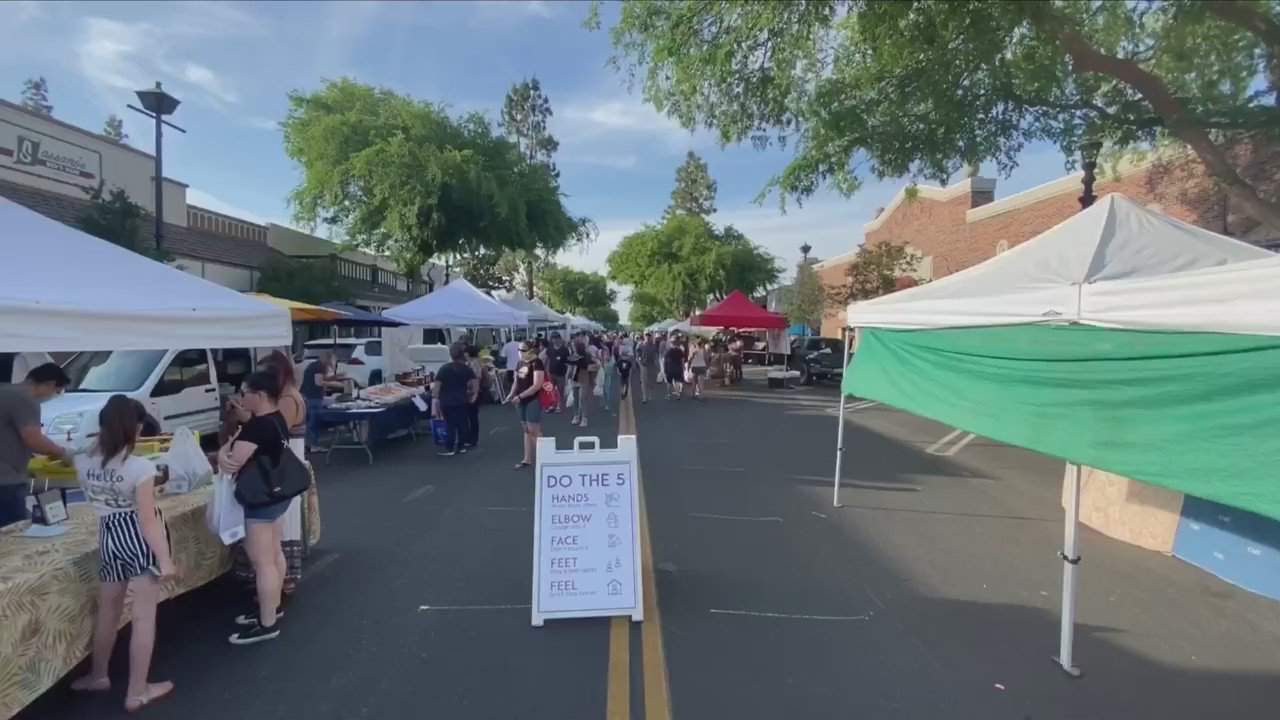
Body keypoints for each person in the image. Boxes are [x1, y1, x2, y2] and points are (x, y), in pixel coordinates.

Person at [71, 395, 176, 711]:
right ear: (138, 427)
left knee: (109, 611)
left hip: (108, 536)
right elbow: (146, 519)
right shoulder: (140, 467)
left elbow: (82, 451)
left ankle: (98, 675)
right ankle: (137, 690)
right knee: (144, 617)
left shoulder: (83, 459)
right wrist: (166, 559)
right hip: (136, 538)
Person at [218, 371, 292, 645]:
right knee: (274, 554)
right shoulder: (276, 418)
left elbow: (230, 464)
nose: (241, 397)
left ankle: (267, 623)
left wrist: (225, 448)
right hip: (277, 494)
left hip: (260, 499)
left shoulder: (256, 428)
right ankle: (272, 606)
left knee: (263, 563)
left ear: (259, 395)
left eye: (244, 392)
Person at [0, 363, 71, 526]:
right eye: (57, 391)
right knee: (13, 533)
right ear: (51, 384)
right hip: (6, 480)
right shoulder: (25, 399)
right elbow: (33, 439)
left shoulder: (4, 390)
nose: (54, 396)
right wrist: (63, 453)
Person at [430, 342, 478, 457]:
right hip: (462, 400)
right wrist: (473, 395)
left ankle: (450, 447)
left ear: (451, 355)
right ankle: (461, 446)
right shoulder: (466, 369)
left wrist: (435, 400)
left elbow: (437, 387)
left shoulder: (444, 369)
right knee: (462, 423)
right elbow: (474, 382)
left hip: (447, 401)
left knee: (450, 424)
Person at [504, 341, 545, 470]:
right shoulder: (519, 363)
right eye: (519, 350)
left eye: (523, 350)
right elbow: (516, 381)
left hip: (533, 399)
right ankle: (527, 459)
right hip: (520, 400)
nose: (520, 353)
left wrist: (520, 396)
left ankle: (544, 458)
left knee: (534, 429)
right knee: (526, 430)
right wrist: (511, 394)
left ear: (530, 350)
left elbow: (537, 385)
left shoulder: (536, 363)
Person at [298, 351, 344, 449]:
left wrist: (335, 377)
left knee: (311, 421)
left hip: (307, 396)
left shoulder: (315, 366)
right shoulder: (319, 367)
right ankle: (313, 445)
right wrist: (337, 384)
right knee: (314, 422)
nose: (334, 363)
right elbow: (319, 382)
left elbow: (321, 379)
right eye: (334, 360)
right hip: (313, 397)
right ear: (329, 359)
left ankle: (309, 444)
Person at [570, 335, 598, 427]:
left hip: (584, 378)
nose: (573, 347)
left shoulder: (587, 355)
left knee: (583, 399)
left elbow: (596, 365)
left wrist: (589, 368)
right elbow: (570, 366)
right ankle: (576, 416)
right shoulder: (573, 356)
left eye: (574, 346)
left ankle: (584, 418)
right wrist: (568, 376)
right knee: (575, 398)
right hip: (574, 378)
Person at [463, 345, 485, 450]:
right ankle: (470, 438)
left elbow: (477, 378)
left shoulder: (474, 363)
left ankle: (472, 439)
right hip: (471, 391)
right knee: (471, 416)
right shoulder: (473, 362)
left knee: (472, 416)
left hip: (473, 392)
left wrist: (475, 393)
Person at [546, 334, 571, 413]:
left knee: (560, 391)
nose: (554, 340)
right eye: (553, 339)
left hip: (561, 374)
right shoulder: (550, 349)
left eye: (556, 339)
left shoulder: (565, 350)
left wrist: (567, 374)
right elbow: (548, 360)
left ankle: (559, 406)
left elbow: (568, 363)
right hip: (551, 372)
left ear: (560, 339)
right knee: (550, 390)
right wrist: (546, 370)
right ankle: (552, 405)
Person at [638, 333, 660, 404]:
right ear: (645, 338)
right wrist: (640, 361)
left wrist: (657, 365)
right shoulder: (641, 345)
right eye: (646, 337)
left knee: (651, 381)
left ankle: (650, 394)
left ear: (651, 338)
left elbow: (656, 355)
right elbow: (638, 354)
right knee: (643, 381)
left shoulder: (653, 346)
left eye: (649, 338)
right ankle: (644, 397)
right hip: (644, 365)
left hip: (652, 365)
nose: (648, 339)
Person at [663, 335, 687, 400]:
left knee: (669, 382)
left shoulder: (668, 351)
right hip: (678, 368)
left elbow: (665, 361)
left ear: (671, 343)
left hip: (669, 368)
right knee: (677, 381)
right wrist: (683, 368)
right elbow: (682, 360)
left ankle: (668, 395)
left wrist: (664, 369)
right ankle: (677, 395)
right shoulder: (680, 351)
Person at [616, 333, 635, 399]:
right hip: (626, 363)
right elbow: (631, 356)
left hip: (624, 364)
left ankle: (623, 392)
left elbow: (620, 355)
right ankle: (624, 392)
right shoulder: (628, 347)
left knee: (623, 380)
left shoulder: (622, 347)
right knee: (626, 380)